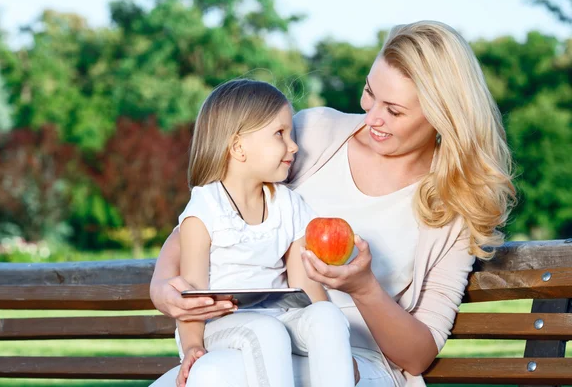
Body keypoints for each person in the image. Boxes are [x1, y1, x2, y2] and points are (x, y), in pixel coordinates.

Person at [150, 20, 516, 386]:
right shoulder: (314, 132)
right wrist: (164, 287)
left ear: (442, 116)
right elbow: (208, 218)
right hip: (261, 334)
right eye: (369, 93)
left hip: (358, 363)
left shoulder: (456, 204)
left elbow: (418, 355)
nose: (372, 116)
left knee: (215, 376)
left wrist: (364, 288)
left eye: (394, 110)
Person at [170, 79, 355, 387]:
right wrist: (191, 347)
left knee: (327, 316)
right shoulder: (205, 209)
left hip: (279, 319)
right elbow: (191, 298)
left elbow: (305, 287)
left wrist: (334, 347)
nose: (294, 146)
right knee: (266, 332)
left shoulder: (288, 204)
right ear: (238, 147)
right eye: (280, 134)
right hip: (220, 326)